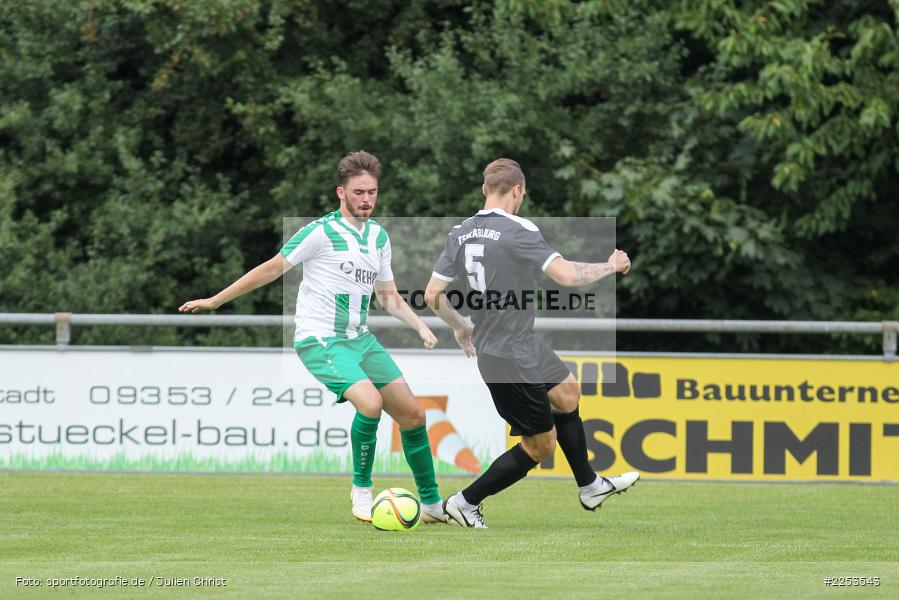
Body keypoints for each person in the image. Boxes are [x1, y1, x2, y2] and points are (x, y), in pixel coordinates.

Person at [180, 151, 448, 524]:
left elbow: (388, 295)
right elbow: (272, 268)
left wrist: (419, 326)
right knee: (370, 404)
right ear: (342, 192)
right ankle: (361, 491)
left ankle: (434, 506)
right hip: (320, 339)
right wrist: (216, 300)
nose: (367, 199)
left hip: (361, 340)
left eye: (372, 192)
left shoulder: (378, 237)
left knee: (415, 415)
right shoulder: (320, 232)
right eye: (359, 192)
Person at [423, 158, 639, 528]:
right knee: (540, 446)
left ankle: (590, 486)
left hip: (517, 344)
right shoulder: (519, 229)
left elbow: (431, 294)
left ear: (484, 189)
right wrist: (611, 265)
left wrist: (460, 325)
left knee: (568, 392)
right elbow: (569, 275)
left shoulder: (460, 232)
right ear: (518, 190)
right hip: (509, 355)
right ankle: (463, 503)